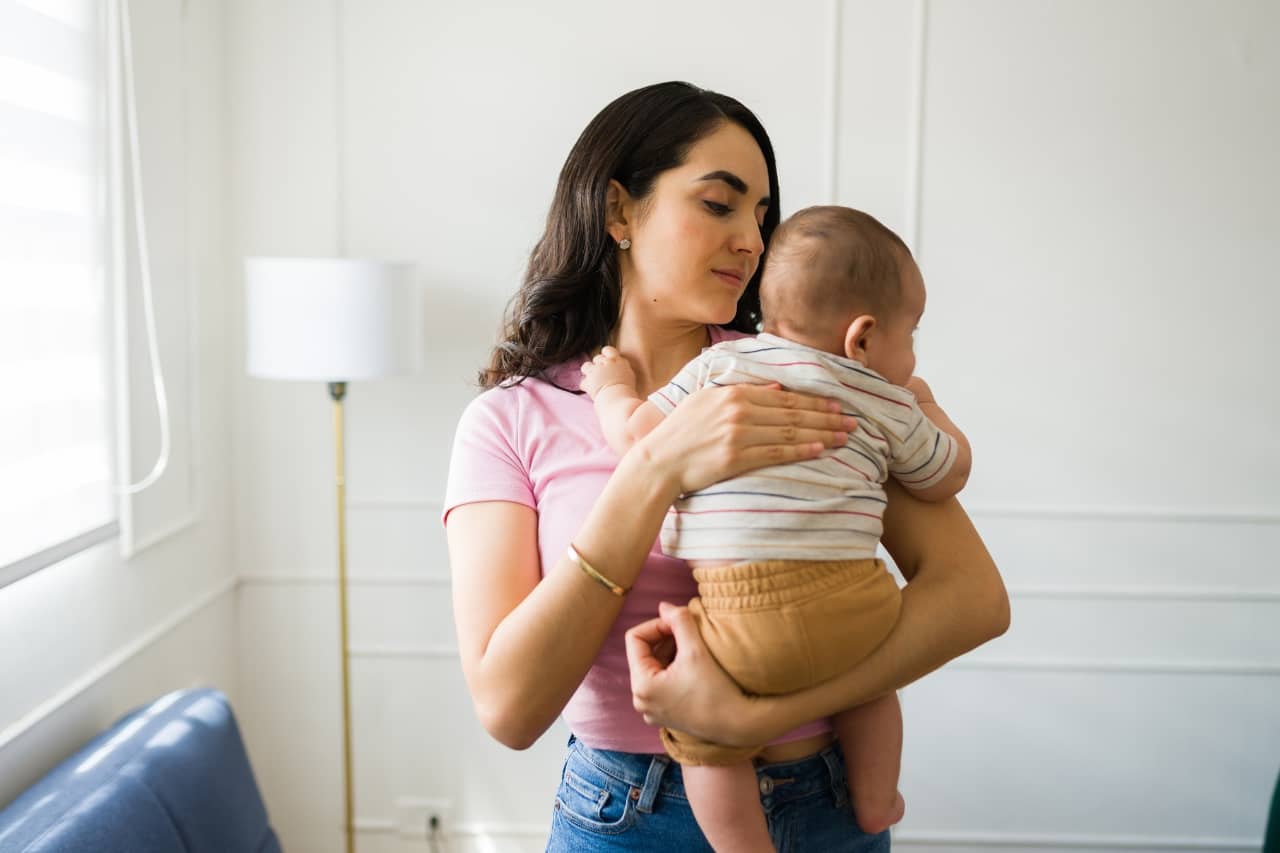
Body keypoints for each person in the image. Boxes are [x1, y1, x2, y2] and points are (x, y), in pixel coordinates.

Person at [443, 81, 1009, 852]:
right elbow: (509, 710)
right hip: (624, 817)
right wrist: (655, 468)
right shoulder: (508, 423)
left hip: (829, 802)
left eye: (764, 217)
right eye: (720, 204)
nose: (753, 239)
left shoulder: (798, 375)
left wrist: (752, 719)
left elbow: (975, 598)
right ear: (618, 213)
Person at [578, 205, 971, 849]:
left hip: (740, 618)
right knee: (871, 686)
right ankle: (876, 798)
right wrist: (926, 404)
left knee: (706, 740)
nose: (913, 354)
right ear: (863, 338)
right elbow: (946, 473)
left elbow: (639, 438)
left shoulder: (721, 370)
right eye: (913, 333)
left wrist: (609, 388)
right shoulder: (887, 399)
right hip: (859, 604)